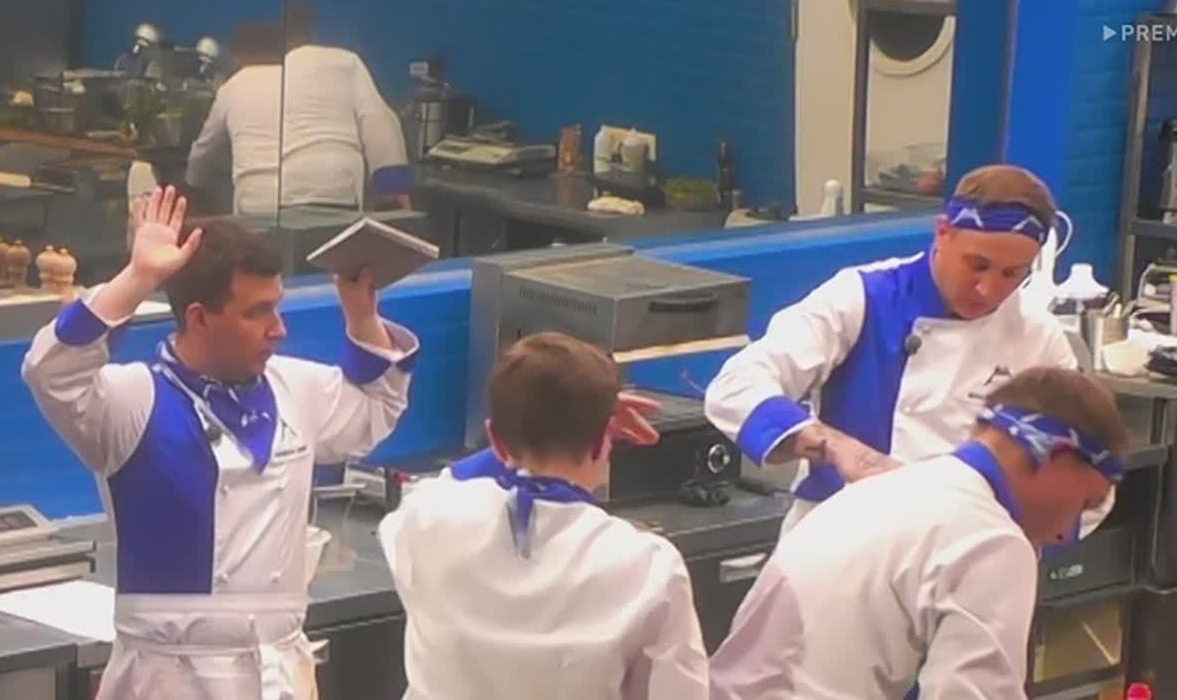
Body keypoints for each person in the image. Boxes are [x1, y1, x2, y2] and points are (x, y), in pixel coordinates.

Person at [21, 186, 418, 700]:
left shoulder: (293, 386)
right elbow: (50, 371)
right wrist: (139, 277)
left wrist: (361, 317)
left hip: (279, 672)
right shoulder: (134, 400)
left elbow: (374, 408)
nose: (279, 329)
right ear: (199, 318)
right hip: (168, 678)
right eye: (258, 312)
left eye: (277, 308)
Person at [705, 164, 1091, 535]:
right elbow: (737, 385)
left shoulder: (1037, 336)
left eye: (1012, 273)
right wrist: (833, 445)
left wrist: (1021, 527)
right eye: (977, 265)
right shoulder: (863, 296)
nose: (989, 290)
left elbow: (1086, 465)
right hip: (842, 536)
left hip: (969, 545)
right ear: (943, 232)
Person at [709, 366, 1131, 700]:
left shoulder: (888, 491)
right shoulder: (990, 540)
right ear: (1056, 457)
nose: (1065, 536)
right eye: (1084, 503)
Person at [378, 332, 709, 700]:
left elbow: (449, 479)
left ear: (495, 440)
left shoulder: (426, 519)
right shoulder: (647, 566)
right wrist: (583, 416)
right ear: (603, 442)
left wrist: (520, 435)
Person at [186, 4, 410, 214]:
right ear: (312, 33)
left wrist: (192, 185)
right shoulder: (344, 62)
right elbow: (379, 123)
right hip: (334, 195)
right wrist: (393, 189)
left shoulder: (237, 84)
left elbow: (202, 155)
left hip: (256, 205)